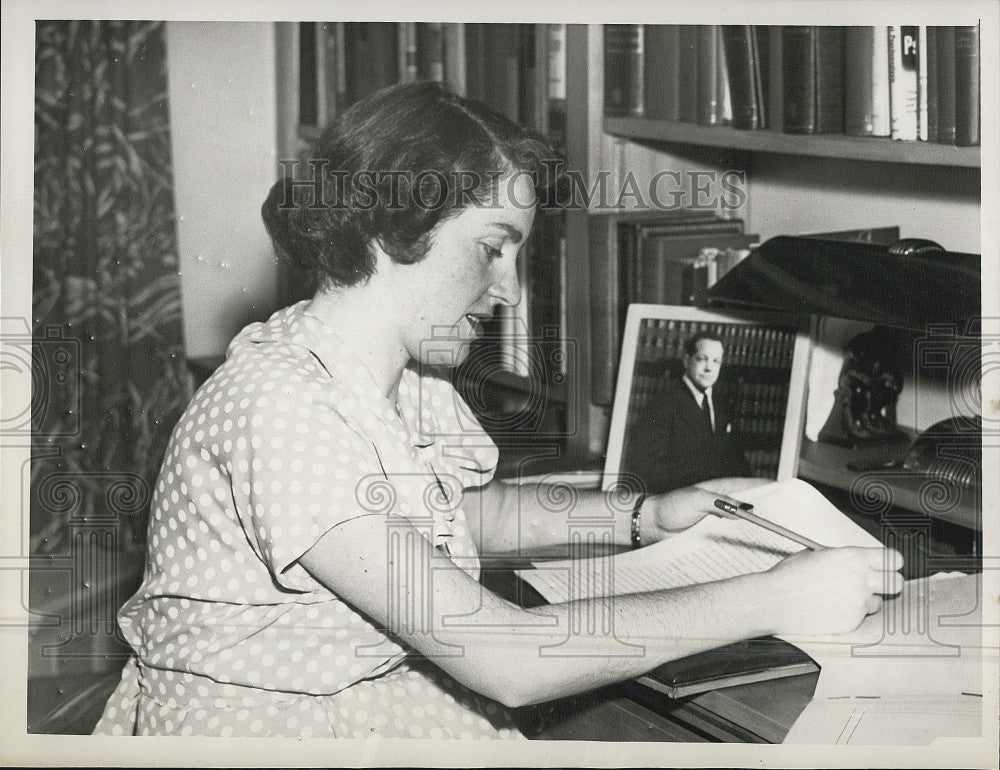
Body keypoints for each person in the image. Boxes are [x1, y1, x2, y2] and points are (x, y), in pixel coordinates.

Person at [94, 82, 903, 738]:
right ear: (389, 229)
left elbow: (460, 518)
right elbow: (507, 660)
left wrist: (642, 517)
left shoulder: (402, 378)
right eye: (492, 246)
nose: (510, 288)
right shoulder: (279, 409)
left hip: (359, 700)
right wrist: (772, 597)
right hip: (266, 732)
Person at [626, 332, 751, 494]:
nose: (709, 368)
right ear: (686, 360)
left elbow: (737, 460)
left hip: (720, 501)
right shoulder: (663, 405)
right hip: (679, 502)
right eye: (702, 359)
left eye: (716, 361)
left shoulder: (723, 406)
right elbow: (647, 469)